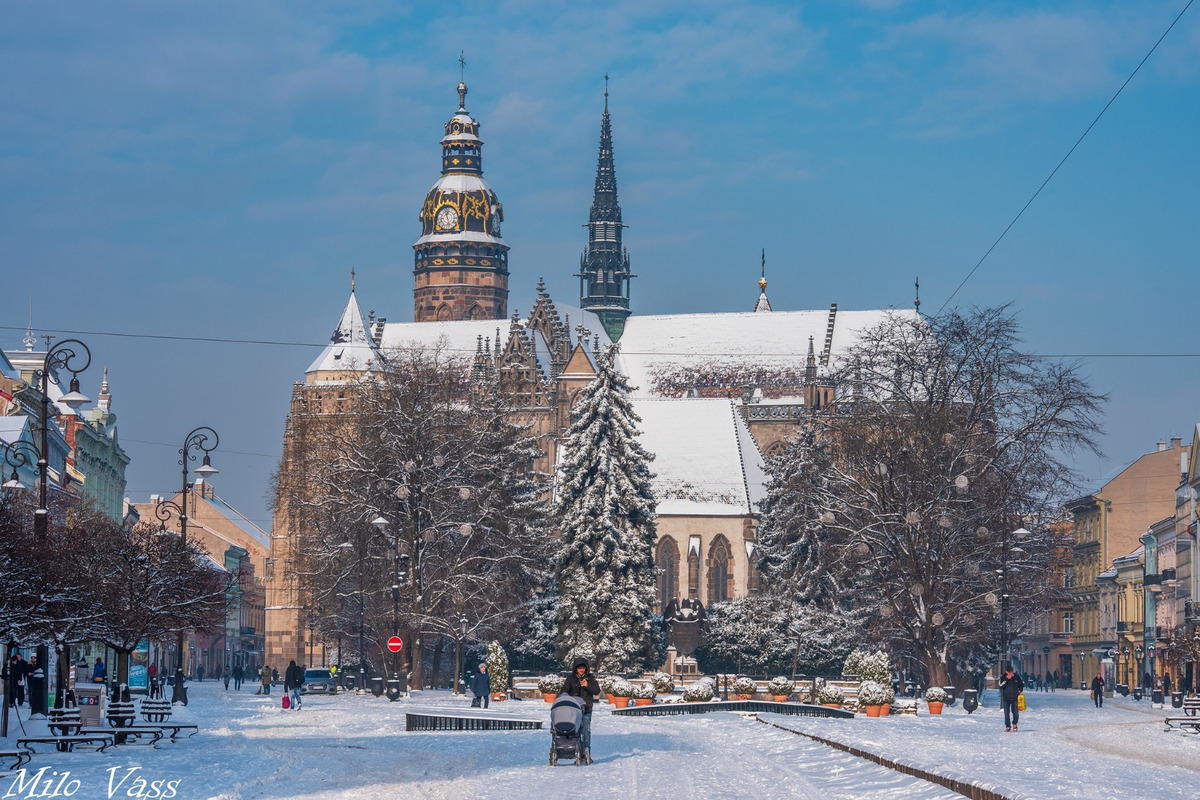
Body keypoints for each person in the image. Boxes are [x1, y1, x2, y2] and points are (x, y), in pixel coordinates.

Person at [563, 658, 601, 763]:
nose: (581, 670)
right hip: (573, 710)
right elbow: (564, 691)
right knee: (575, 733)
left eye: (583, 668)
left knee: (586, 732)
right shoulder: (570, 679)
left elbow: (597, 690)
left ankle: (587, 754)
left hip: (586, 709)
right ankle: (579, 754)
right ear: (575, 669)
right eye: (579, 668)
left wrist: (587, 685)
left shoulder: (590, 678)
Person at [998, 665, 1023, 732]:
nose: (1011, 673)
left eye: (1011, 672)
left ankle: (1015, 723)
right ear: (1006, 672)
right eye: (1009, 672)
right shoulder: (1003, 677)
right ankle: (1008, 726)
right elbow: (1000, 686)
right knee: (1006, 713)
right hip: (1006, 698)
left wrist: (1020, 690)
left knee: (1015, 712)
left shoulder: (1016, 677)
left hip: (1015, 697)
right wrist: (1006, 679)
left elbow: (1021, 685)